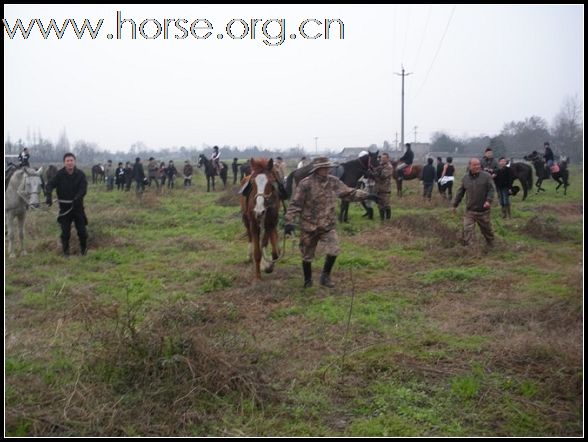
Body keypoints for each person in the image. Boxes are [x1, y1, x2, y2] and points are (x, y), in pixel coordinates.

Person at [284, 157, 379, 288]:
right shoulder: (305, 184)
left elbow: (348, 192)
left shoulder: (333, 181)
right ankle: (308, 280)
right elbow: (295, 204)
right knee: (307, 256)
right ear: (317, 169)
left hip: (327, 225)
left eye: (328, 167)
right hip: (308, 226)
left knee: (334, 250)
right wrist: (289, 221)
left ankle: (325, 277)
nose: (327, 170)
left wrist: (367, 195)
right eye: (324, 168)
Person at [45, 152, 88, 256]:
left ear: (75, 162)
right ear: (64, 163)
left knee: (82, 232)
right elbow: (50, 184)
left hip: (78, 208)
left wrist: (78, 197)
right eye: (67, 161)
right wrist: (49, 195)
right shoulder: (59, 175)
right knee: (65, 233)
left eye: (71, 160)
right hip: (64, 209)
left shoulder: (81, 175)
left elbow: (83, 189)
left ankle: (84, 251)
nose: (69, 163)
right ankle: (65, 253)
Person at [452, 158, 495, 248]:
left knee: (487, 230)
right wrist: (455, 204)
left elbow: (491, 189)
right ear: (470, 166)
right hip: (470, 210)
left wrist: (488, 201)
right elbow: (460, 192)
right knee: (467, 229)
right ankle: (471, 248)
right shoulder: (465, 178)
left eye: (478, 164)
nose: (477, 166)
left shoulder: (486, 176)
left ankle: (491, 243)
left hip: (483, 210)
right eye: (475, 165)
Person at [373, 152, 394, 220]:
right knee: (380, 206)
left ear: (388, 158)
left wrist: (375, 174)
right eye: (382, 158)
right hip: (379, 189)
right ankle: (382, 220)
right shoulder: (381, 166)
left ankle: (388, 220)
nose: (382, 159)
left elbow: (383, 176)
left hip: (385, 189)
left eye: (384, 158)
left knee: (386, 205)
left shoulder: (389, 167)